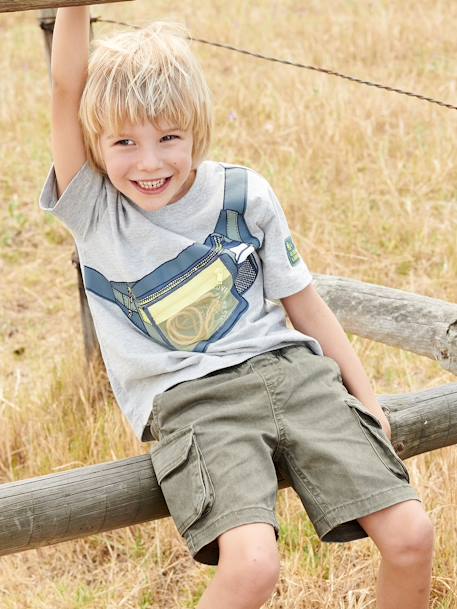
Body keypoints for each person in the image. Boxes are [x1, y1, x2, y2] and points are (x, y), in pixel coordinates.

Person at [40, 6, 434, 609]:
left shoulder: (243, 194)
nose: (149, 162)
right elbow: (67, 85)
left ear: (197, 130)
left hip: (294, 375)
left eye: (169, 137)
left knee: (412, 536)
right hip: (195, 402)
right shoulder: (94, 210)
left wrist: (368, 399)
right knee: (252, 566)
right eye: (125, 142)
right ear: (95, 145)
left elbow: (304, 304)